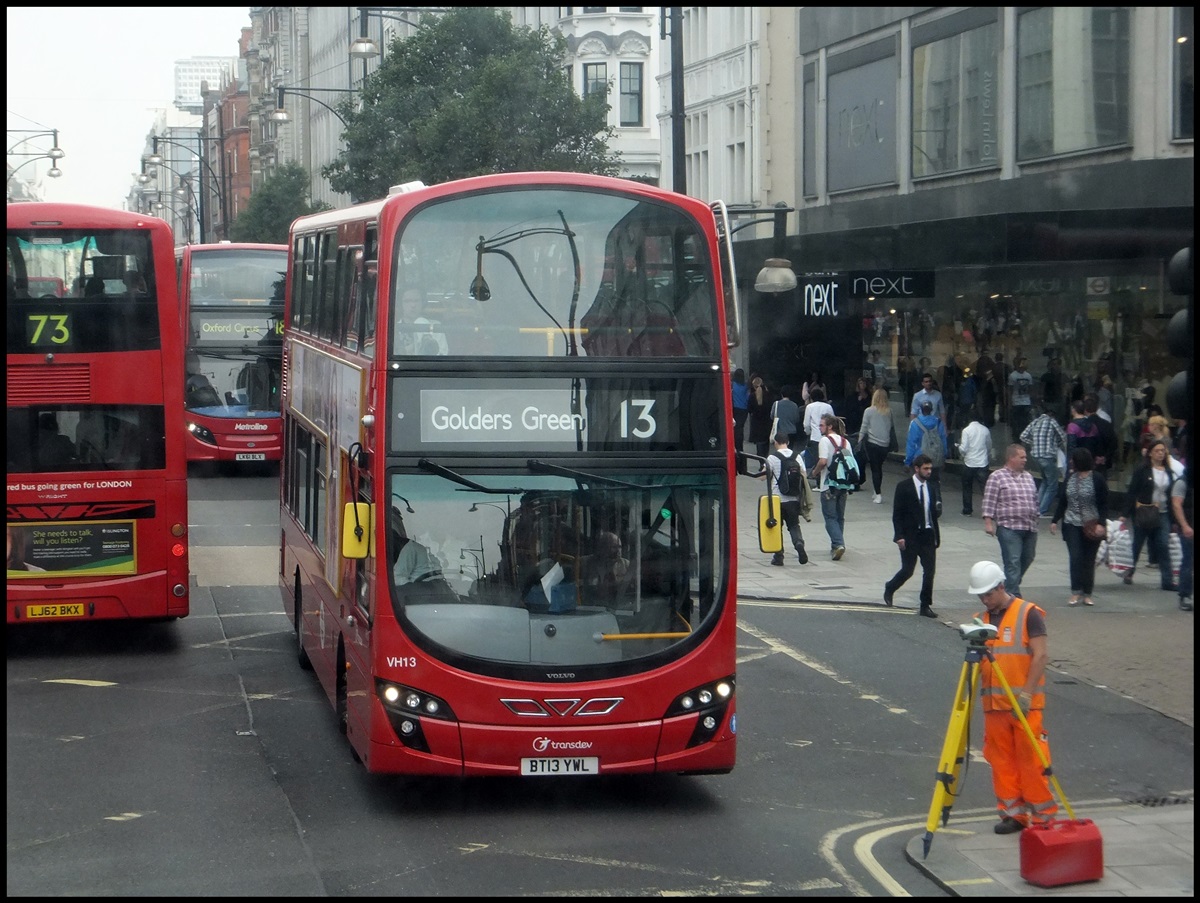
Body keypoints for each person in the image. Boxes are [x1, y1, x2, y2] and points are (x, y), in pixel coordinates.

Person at [966, 560, 1057, 834]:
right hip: (994, 707)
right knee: (1001, 761)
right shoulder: (979, 621)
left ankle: (1043, 818)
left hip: (1024, 705)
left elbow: (1040, 656)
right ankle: (1013, 815)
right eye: (980, 595)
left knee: (1032, 762)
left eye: (988, 594)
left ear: (1001, 586)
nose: (984, 600)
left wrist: (1027, 695)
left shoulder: (1028, 613)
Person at [1049, 448, 1109, 607]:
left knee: (1089, 560)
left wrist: (1102, 524)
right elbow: (1063, 501)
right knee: (1076, 557)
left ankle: (1087, 593)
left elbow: (1104, 503)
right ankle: (1076, 591)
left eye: (1073, 459)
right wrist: (1055, 520)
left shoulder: (1097, 479)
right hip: (1071, 523)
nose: (1070, 462)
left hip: (1091, 524)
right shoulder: (1070, 478)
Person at [882, 454, 940, 618]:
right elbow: (897, 514)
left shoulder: (932, 487)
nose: (929, 471)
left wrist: (936, 534)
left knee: (930, 571)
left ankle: (925, 604)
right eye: (926, 468)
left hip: (928, 534)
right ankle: (890, 587)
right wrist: (899, 536)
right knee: (908, 570)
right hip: (910, 535)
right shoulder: (904, 487)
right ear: (916, 469)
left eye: (930, 468)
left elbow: (933, 513)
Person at [1121, 438, 1182, 592]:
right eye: (1157, 451)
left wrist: (1174, 520)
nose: (1160, 454)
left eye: (1163, 451)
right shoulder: (1142, 470)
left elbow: (1171, 495)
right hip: (1144, 511)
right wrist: (1125, 514)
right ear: (1150, 454)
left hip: (1163, 512)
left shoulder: (1168, 471)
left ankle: (1167, 580)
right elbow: (1132, 492)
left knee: (1163, 544)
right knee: (1138, 543)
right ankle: (1129, 571)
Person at [982, 443, 1040, 599]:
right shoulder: (997, 477)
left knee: (1028, 557)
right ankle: (1013, 596)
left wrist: (1037, 514)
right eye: (1022, 457)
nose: (1025, 460)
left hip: (1029, 526)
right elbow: (989, 500)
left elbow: (1034, 499)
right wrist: (988, 522)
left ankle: (1008, 586)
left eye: (1025, 457)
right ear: (1011, 458)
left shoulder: (1028, 477)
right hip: (1009, 527)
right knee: (1012, 561)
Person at [759, 431, 809, 566]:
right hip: (793, 498)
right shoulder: (796, 456)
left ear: (775, 442)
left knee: (777, 527)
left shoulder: (772, 458)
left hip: (776, 499)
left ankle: (779, 556)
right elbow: (803, 474)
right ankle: (799, 543)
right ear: (787, 442)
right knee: (793, 525)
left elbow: (763, 476)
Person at [812, 413, 852, 561]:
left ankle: (838, 543)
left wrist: (815, 472)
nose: (819, 427)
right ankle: (836, 546)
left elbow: (823, 461)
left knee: (830, 517)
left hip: (828, 484)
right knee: (839, 517)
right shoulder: (845, 441)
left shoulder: (824, 441)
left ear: (830, 427)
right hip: (843, 484)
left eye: (822, 425)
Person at [1020, 405, 1067, 517]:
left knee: (1045, 481)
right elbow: (1063, 436)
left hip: (1036, 456)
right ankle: (1042, 510)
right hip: (1047, 456)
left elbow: (1022, 436)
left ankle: (1036, 508)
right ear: (1053, 415)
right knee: (1053, 485)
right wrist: (1056, 443)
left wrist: (1033, 442)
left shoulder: (1035, 422)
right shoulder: (1052, 421)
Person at [859, 387, 895, 504]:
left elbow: (864, 427)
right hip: (885, 443)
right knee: (879, 467)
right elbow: (890, 427)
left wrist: (859, 441)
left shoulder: (869, 411)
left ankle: (878, 493)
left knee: (875, 468)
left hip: (873, 443)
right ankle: (876, 490)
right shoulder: (889, 411)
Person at [957, 413, 994, 517]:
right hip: (982, 462)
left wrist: (959, 449)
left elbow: (964, 448)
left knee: (967, 487)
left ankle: (967, 510)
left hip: (969, 462)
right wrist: (987, 454)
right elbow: (989, 445)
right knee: (985, 489)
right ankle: (989, 512)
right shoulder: (985, 430)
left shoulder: (966, 430)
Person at [904, 400, 948, 485]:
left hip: (919, 458)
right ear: (931, 410)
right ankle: (937, 498)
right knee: (935, 484)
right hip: (935, 458)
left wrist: (907, 462)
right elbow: (943, 441)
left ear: (921, 409)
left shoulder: (915, 423)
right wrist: (943, 458)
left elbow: (911, 444)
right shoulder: (938, 422)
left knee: (920, 484)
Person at [396, 287, 448, 355]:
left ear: (423, 303)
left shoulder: (436, 326)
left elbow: (443, 354)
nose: (413, 305)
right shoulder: (395, 328)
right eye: (407, 301)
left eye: (417, 301)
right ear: (400, 304)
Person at [581, 531, 631, 601]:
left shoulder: (627, 565)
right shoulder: (585, 563)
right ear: (602, 547)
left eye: (619, 547)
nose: (618, 551)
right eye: (614, 547)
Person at [1170, 466, 1193, 612]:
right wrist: (1185, 526)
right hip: (1189, 528)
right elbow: (1176, 504)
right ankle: (1184, 595)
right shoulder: (1182, 482)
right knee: (1188, 562)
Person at [800, 386, 834, 470]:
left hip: (815, 437)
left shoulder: (809, 407)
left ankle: (817, 475)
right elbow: (834, 421)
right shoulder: (828, 407)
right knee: (827, 458)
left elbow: (806, 424)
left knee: (816, 459)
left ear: (811, 397)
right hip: (828, 437)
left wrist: (808, 432)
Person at [747, 374, 777, 460]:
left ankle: (761, 460)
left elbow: (749, 409)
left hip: (756, 421)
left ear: (753, 385)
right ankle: (765, 458)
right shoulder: (769, 395)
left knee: (759, 441)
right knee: (766, 440)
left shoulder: (752, 396)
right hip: (767, 421)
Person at [1007, 356, 1035, 440]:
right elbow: (1010, 390)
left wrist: (1032, 401)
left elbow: (1030, 389)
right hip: (1016, 402)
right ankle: (1016, 438)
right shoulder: (1013, 376)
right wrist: (1009, 403)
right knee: (1016, 422)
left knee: (1025, 421)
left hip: (1026, 402)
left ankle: (1024, 437)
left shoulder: (1028, 375)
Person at [769, 385, 802, 451]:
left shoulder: (776, 404)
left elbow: (772, 417)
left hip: (780, 432)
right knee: (789, 451)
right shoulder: (794, 405)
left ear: (781, 394)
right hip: (791, 432)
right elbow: (797, 419)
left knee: (780, 452)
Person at [730, 368, 750, 474]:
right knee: (740, 432)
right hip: (744, 410)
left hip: (735, 409)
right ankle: (742, 466)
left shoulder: (732, 385)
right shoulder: (746, 386)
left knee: (734, 433)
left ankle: (736, 464)